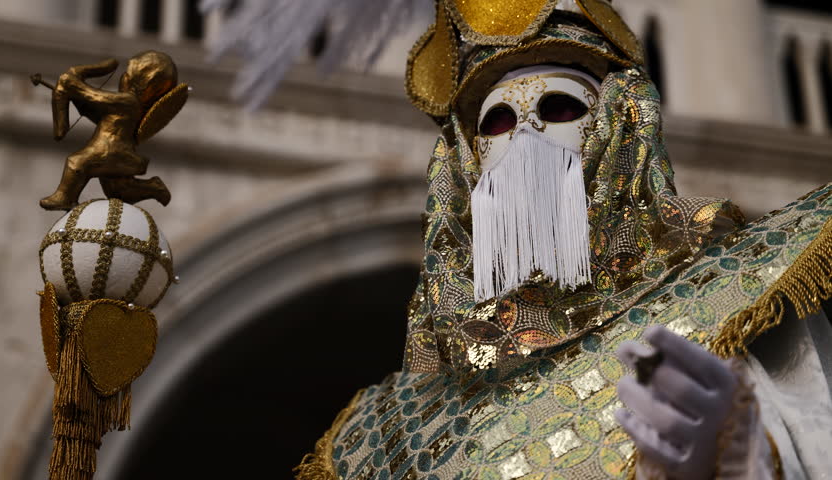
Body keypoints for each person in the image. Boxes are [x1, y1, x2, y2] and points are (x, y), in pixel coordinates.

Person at [293, 1, 832, 478]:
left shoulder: (731, 297)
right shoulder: (391, 431)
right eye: (498, 122)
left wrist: (735, 457)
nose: (526, 134)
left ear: (617, 129)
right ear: (469, 163)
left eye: (558, 108)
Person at [38, 51, 178, 210]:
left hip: (112, 151)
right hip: (109, 150)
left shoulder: (128, 101)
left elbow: (95, 97)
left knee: (76, 163)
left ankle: (65, 198)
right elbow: (100, 116)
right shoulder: (124, 105)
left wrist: (74, 85)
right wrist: (78, 100)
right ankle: (153, 188)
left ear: (143, 83)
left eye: (127, 75)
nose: (123, 77)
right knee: (118, 191)